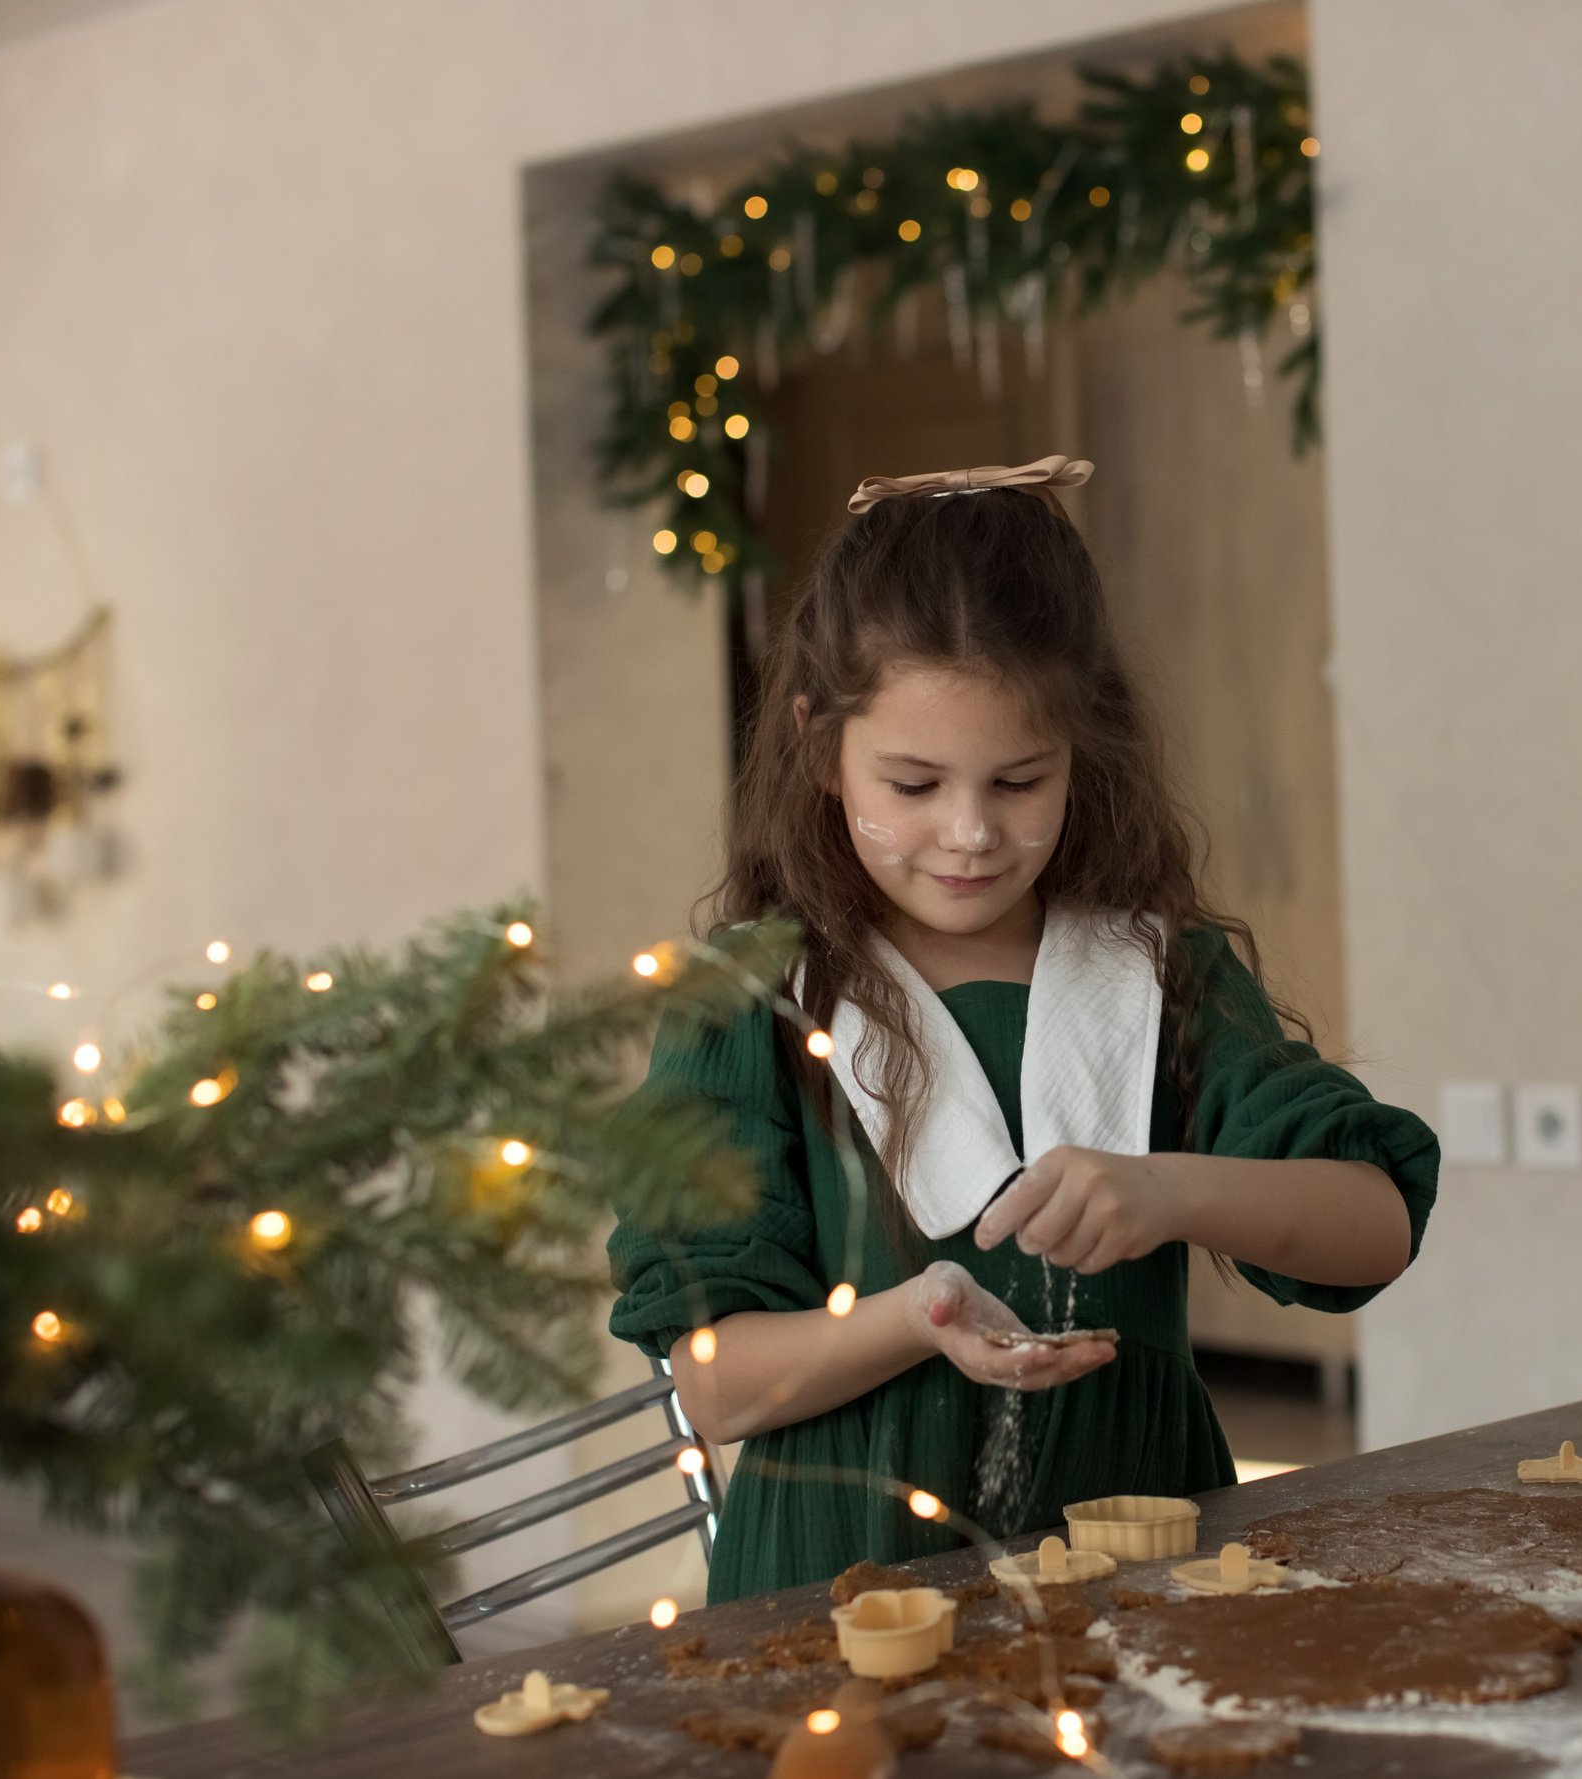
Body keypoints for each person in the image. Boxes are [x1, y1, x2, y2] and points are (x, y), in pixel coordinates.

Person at [607, 454, 1439, 1602]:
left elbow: (1376, 1225)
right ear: (816, 747)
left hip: (1149, 1564)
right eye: (911, 786)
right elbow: (713, 1385)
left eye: (1017, 782)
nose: (969, 835)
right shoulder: (748, 1003)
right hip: (839, 1584)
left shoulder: (1152, 973)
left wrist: (1173, 1191)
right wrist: (916, 1317)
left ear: (1081, 754)